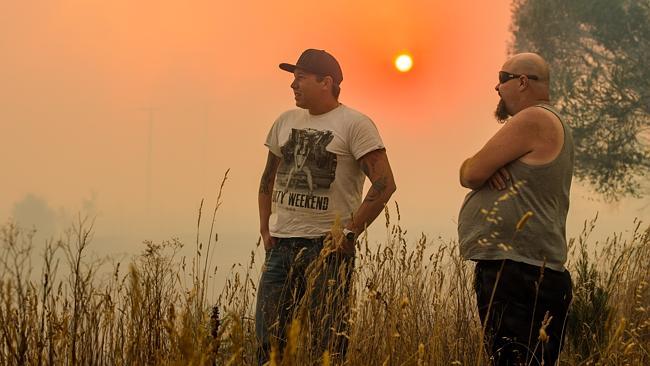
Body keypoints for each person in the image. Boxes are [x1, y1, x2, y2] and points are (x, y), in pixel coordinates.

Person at [255, 48, 396, 364]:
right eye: (293, 79)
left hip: (328, 250)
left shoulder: (355, 124)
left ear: (326, 82)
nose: (293, 86)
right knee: (269, 345)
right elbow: (267, 179)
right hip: (280, 248)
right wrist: (265, 229)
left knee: (328, 346)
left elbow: (385, 183)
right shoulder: (284, 121)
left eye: (300, 79)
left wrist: (349, 233)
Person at [458, 53, 574, 366]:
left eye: (502, 78)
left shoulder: (533, 118)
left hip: (517, 272)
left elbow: (469, 174)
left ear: (522, 81)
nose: (497, 87)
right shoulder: (551, 122)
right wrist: (491, 165)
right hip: (533, 270)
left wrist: (480, 166)